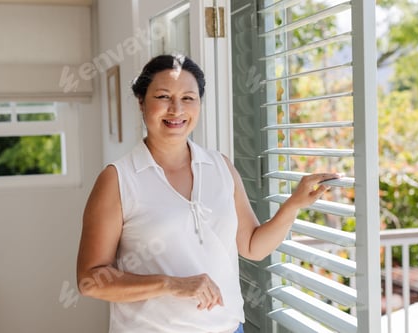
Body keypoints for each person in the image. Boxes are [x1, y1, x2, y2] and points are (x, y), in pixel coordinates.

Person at [76, 54, 339, 333]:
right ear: (141, 101)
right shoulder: (118, 178)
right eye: (163, 96)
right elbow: (90, 280)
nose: (176, 109)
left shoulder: (220, 166)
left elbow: (253, 246)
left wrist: (293, 205)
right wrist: (170, 284)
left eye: (188, 98)